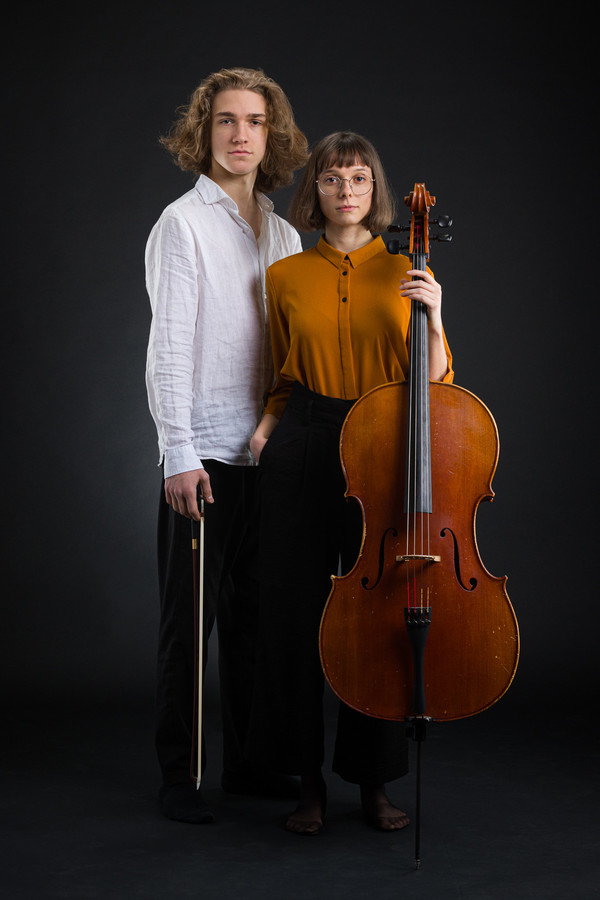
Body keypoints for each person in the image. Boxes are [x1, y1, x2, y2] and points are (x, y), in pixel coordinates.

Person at [247, 132, 454, 835]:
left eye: (358, 179)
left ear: (375, 191)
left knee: (380, 614)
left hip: (382, 443)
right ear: (316, 192)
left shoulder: (406, 270)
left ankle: (373, 786)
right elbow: (279, 375)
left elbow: (438, 383)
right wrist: (269, 427)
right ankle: (304, 783)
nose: (344, 191)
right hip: (302, 438)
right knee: (293, 615)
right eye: (332, 179)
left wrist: (433, 313)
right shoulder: (283, 277)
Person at [144, 67, 308, 823]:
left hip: (267, 457)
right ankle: (181, 776)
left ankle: (248, 768)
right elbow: (170, 347)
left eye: (254, 122)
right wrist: (177, 451)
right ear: (204, 133)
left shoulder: (282, 231)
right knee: (191, 627)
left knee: (253, 626)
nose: (241, 135)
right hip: (204, 457)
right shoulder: (183, 223)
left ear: (271, 136)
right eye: (226, 121)